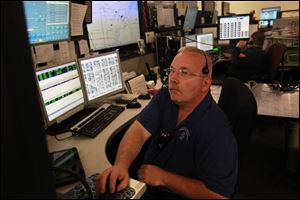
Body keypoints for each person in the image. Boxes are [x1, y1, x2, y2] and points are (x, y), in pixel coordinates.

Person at [96, 46, 238, 198]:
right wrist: (121, 165)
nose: (173, 79)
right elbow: (139, 131)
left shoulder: (216, 130)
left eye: (184, 72)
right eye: (171, 70)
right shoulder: (165, 96)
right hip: (147, 177)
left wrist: (164, 178)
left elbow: (219, 196)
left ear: (205, 83)